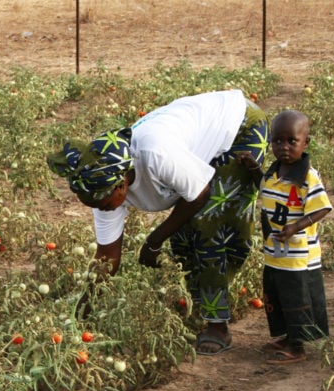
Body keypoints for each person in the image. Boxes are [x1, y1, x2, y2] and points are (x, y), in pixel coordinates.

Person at [47, 89, 269, 355]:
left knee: (209, 225)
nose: (101, 209)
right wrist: (83, 311)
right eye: (93, 205)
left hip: (238, 126)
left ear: (124, 181)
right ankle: (200, 305)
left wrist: (153, 241)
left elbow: (199, 194)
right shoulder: (100, 186)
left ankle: (217, 324)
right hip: (196, 136)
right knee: (184, 233)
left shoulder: (156, 154)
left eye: (104, 204)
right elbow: (107, 256)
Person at [237, 110, 332, 364]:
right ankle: (288, 336)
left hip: (298, 256)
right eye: (278, 141)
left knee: (296, 297)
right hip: (276, 253)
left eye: (292, 141)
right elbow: (264, 187)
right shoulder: (274, 172)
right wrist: (254, 168)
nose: (284, 147)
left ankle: (297, 345)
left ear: (306, 143)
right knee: (277, 294)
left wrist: (295, 227)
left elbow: (322, 207)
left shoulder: (307, 178)